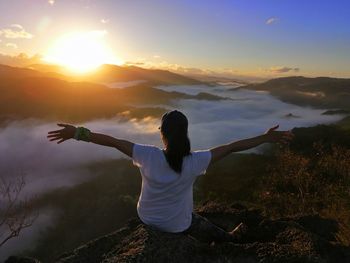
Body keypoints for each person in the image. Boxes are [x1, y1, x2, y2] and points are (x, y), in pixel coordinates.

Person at [47, 110, 294, 243]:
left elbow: (113, 142)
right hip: (177, 226)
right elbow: (231, 147)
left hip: (146, 217)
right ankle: (230, 239)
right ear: (185, 134)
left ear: (162, 134)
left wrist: (76, 133)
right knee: (206, 226)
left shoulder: (147, 155)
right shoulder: (195, 161)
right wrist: (265, 137)